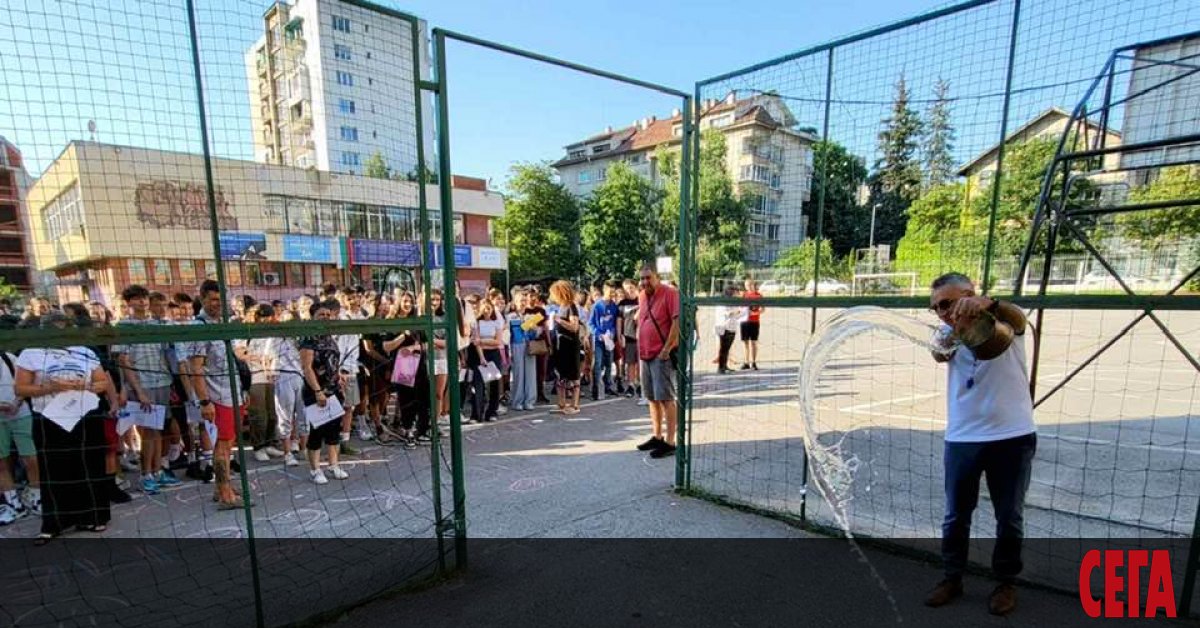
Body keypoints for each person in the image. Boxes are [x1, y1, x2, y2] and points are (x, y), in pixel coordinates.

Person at [923, 273, 1036, 617]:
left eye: (948, 303)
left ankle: (1005, 582)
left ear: (971, 295)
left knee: (1009, 516)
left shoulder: (1004, 322)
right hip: (962, 437)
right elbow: (938, 353)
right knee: (956, 515)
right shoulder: (947, 331)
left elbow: (1020, 319)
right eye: (936, 307)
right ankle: (952, 577)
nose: (942, 311)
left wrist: (991, 305)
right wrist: (952, 328)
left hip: (1011, 436)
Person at [16, 311, 115, 544]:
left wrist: (86, 384)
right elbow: (21, 388)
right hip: (49, 418)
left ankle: (92, 516)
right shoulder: (31, 354)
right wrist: (50, 387)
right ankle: (54, 523)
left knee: (89, 465)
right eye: (56, 328)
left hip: (83, 415)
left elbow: (102, 382)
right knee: (54, 470)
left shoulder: (85, 351)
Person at [188, 280, 252, 510]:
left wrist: (243, 389)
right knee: (222, 446)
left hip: (233, 391)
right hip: (217, 396)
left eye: (221, 300)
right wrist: (205, 401)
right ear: (203, 298)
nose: (218, 304)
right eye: (213, 299)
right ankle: (225, 494)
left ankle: (223, 486)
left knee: (229, 444)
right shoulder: (199, 327)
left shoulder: (224, 323)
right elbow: (196, 368)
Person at [113, 285, 179, 495]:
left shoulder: (157, 324)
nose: (142, 302)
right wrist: (136, 389)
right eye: (136, 299)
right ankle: (145, 473)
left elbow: (167, 354)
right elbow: (123, 360)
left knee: (158, 429)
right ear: (128, 302)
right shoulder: (123, 326)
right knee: (147, 431)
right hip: (142, 383)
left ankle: (158, 470)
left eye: (144, 298)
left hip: (161, 380)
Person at [300, 299, 350, 484]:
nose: (325, 317)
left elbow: (332, 362)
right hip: (316, 391)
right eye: (321, 314)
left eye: (328, 314)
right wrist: (318, 391)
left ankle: (333, 464)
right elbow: (307, 367)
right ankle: (315, 469)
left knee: (333, 430)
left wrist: (338, 377)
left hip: (333, 389)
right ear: (313, 317)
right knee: (317, 431)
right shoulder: (308, 339)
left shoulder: (329, 337)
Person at [636, 264, 679, 458]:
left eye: (648, 277)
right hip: (645, 353)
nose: (645, 282)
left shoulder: (670, 293)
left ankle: (670, 441)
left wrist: (667, 348)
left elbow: (676, 322)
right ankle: (657, 435)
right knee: (652, 397)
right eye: (642, 278)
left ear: (656, 277)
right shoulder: (643, 296)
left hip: (661, 354)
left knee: (666, 398)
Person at [0, 315, 39, 525]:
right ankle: (11, 502)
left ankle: (36, 496)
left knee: (30, 457)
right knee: (2, 461)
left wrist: (17, 401)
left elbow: (25, 383)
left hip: (20, 412)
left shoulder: (10, 358)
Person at [245, 304, 283, 463]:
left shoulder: (272, 332)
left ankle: (269, 442)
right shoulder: (246, 332)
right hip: (255, 375)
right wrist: (260, 359)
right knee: (259, 414)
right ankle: (258, 446)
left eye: (268, 316)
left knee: (272, 413)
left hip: (272, 374)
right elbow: (241, 354)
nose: (265, 320)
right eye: (262, 317)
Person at [548, 281, 582, 415]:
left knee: (573, 374)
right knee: (560, 374)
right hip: (560, 344)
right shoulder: (560, 306)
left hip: (570, 344)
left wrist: (559, 320)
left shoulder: (571, 306)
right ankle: (561, 403)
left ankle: (574, 404)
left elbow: (574, 326)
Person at [471, 298, 505, 422]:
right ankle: (476, 413)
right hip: (481, 355)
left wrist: (483, 341)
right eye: (484, 308)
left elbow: (498, 342)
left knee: (494, 384)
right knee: (478, 385)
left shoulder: (496, 323)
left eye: (489, 308)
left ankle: (492, 411)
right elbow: (476, 342)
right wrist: (482, 357)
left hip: (494, 354)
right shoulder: (477, 323)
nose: (487, 311)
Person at [507, 289, 538, 412]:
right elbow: (508, 335)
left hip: (529, 345)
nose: (523, 303)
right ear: (515, 302)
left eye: (525, 300)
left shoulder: (530, 316)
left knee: (530, 373)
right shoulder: (510, 317)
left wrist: (534, 329)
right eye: (521, 300)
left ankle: (529, 400)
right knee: (518, 374)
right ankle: (517, 401)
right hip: (516, 345)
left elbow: (535, 334)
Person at [589, 281, 620, 400]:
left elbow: (614, 323)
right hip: (598, 339)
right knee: (597, 363)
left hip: (609, 340)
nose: (612, 294)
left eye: (613, 291)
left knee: (609, 363)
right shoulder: (597, 306)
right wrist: (599, 334)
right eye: (610, 291)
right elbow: (590, 323)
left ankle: (608, 386)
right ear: (604, 290)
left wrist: (612, 333)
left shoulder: (614, 306)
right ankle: (597, 389)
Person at [618, 279, 644, 404]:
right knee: (630, 362)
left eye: (631, 288)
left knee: (640, 362)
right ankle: (631, 385)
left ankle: (640, 384)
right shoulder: (622, 303)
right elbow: (619, 320)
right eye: (626, 289)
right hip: (628, 335)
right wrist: (620, 335)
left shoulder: (642, 299)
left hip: (642, 336)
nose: (629, 291)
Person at [714, 286, 742, 374]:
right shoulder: (723, 302)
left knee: (726, 348)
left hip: (730, 327)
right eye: (735, 293)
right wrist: (736, 312)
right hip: (722, 326)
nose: (737, 295)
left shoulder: (733, 303)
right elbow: (727, 313)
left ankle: (724, 365)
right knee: (722, 348)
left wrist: (737, 312)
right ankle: (720, 367)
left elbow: (737, 314)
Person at [740, 278, 763, 371]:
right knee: (745, 342)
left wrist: (755, 313)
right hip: (744, 321)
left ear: (753, 285)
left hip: (754, 321)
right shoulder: (744, 295)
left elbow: (763, 309)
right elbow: (741, 308)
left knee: (753, 342)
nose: (748, 287)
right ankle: (746, 362)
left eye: (750, 285)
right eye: (746, 285)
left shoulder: (759, 296)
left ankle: (753, 362)